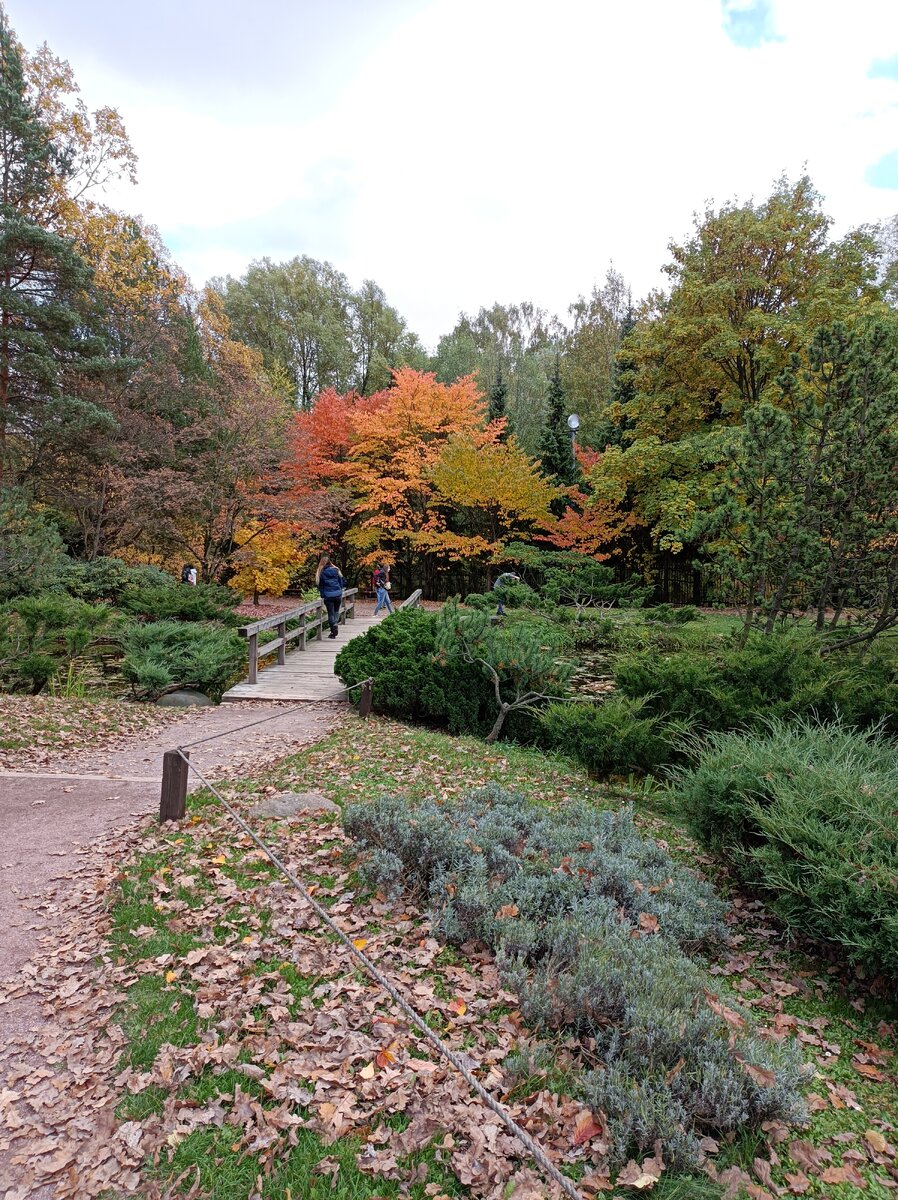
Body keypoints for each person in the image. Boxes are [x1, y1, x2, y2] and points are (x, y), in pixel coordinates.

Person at [316, 554, 347, 638]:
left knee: (331, 613)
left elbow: (321, 586)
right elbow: (342, 582)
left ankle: (333, 628)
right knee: (336, 611)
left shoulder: (321, 572)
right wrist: (340, 591)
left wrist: (323, 595)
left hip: (328, 595)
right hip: (337, 594)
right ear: (330, 562)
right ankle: (335, 626)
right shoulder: (336, 570)